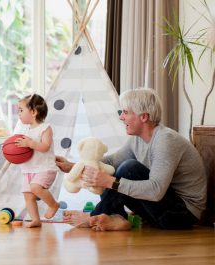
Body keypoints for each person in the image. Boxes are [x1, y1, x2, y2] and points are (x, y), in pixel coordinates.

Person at [56, 88, 207, 231]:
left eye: (126, 112)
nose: (121, 117)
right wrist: (72, 166)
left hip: (182, 215)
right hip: (160, 210)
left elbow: (156, 191)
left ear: (144, 117)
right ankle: (117, 217)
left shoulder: (165, 141)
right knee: (114, 168)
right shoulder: (138, 139)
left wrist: (108, 181)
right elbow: (111, 163)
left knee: (129, 168)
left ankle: (95, 215)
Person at [15, 94, 60, 228]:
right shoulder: (26, 130)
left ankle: (53, 205)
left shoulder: (45, 128)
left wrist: (30, 143)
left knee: (35, 188)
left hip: (44, 168)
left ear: (33, 112)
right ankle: (36, 220)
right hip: (29, 168)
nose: (19, 113)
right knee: (28, 195)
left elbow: (45, 147)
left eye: (21, 110)